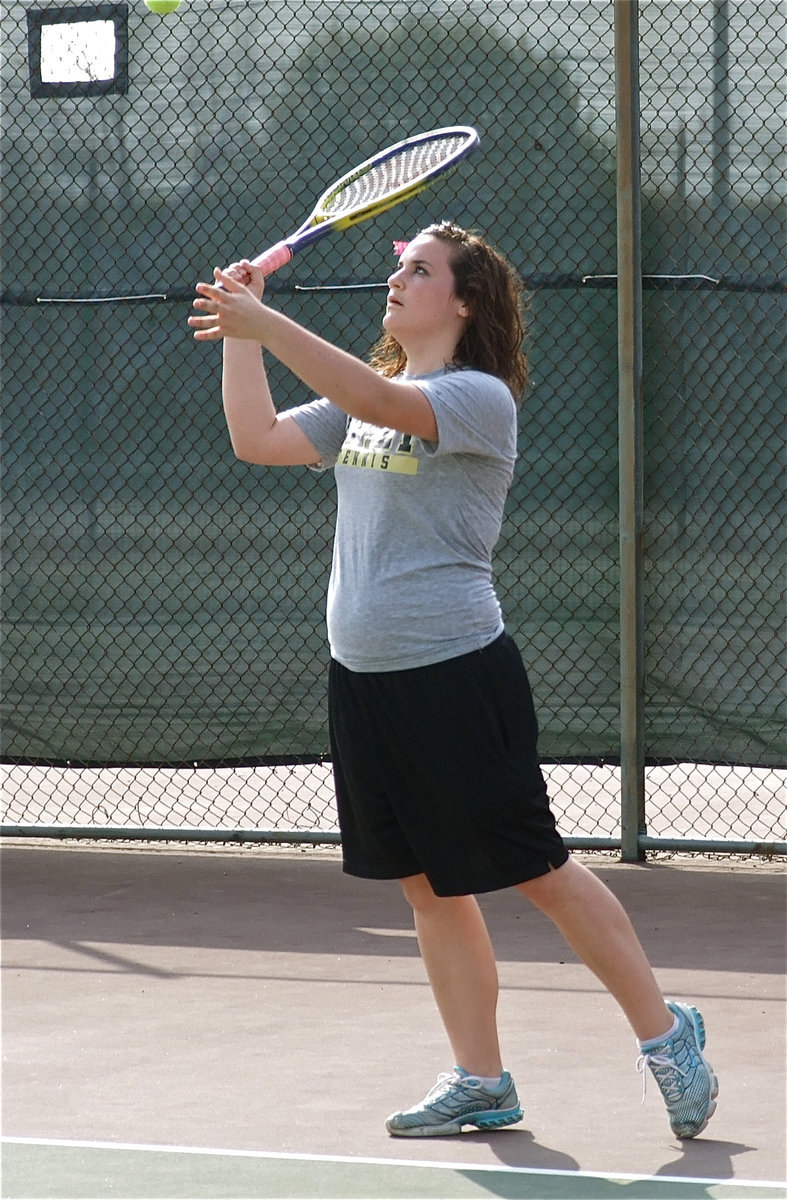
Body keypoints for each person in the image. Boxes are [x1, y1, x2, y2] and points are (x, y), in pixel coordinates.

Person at [189, 221, 718, 1140]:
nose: (397, 280)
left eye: (419, 270)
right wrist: (245, 335)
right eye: (399, 268)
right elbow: (257, 438)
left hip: (456, 675)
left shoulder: (476, 398)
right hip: (364, 680)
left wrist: (266, 326)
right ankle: (482, 1080)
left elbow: (375, 395)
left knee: (539, 874)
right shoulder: (366, 400)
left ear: (465, 301)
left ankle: (667, 1036)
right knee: (428, 888)